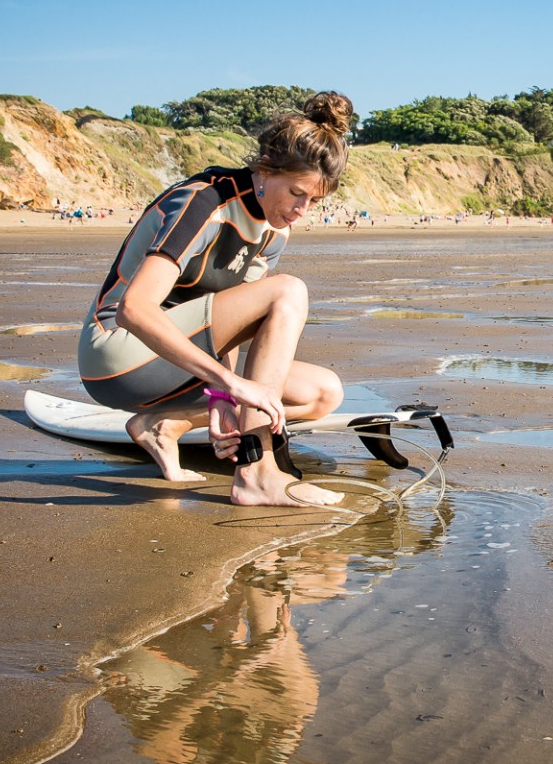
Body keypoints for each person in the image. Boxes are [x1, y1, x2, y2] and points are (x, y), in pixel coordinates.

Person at [79, 91, 352, 507]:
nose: (302, 210)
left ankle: (163, 424)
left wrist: (223, 400)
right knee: (289, 291)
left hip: (176, 365)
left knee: (322, 393)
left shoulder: (274, 231)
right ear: (264, 170)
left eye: (314, 200)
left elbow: (226, 321)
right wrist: (228, 383)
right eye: (297, 192)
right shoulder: (205, 200)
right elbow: (136, 310)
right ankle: (257, 474)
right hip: (116, 356)